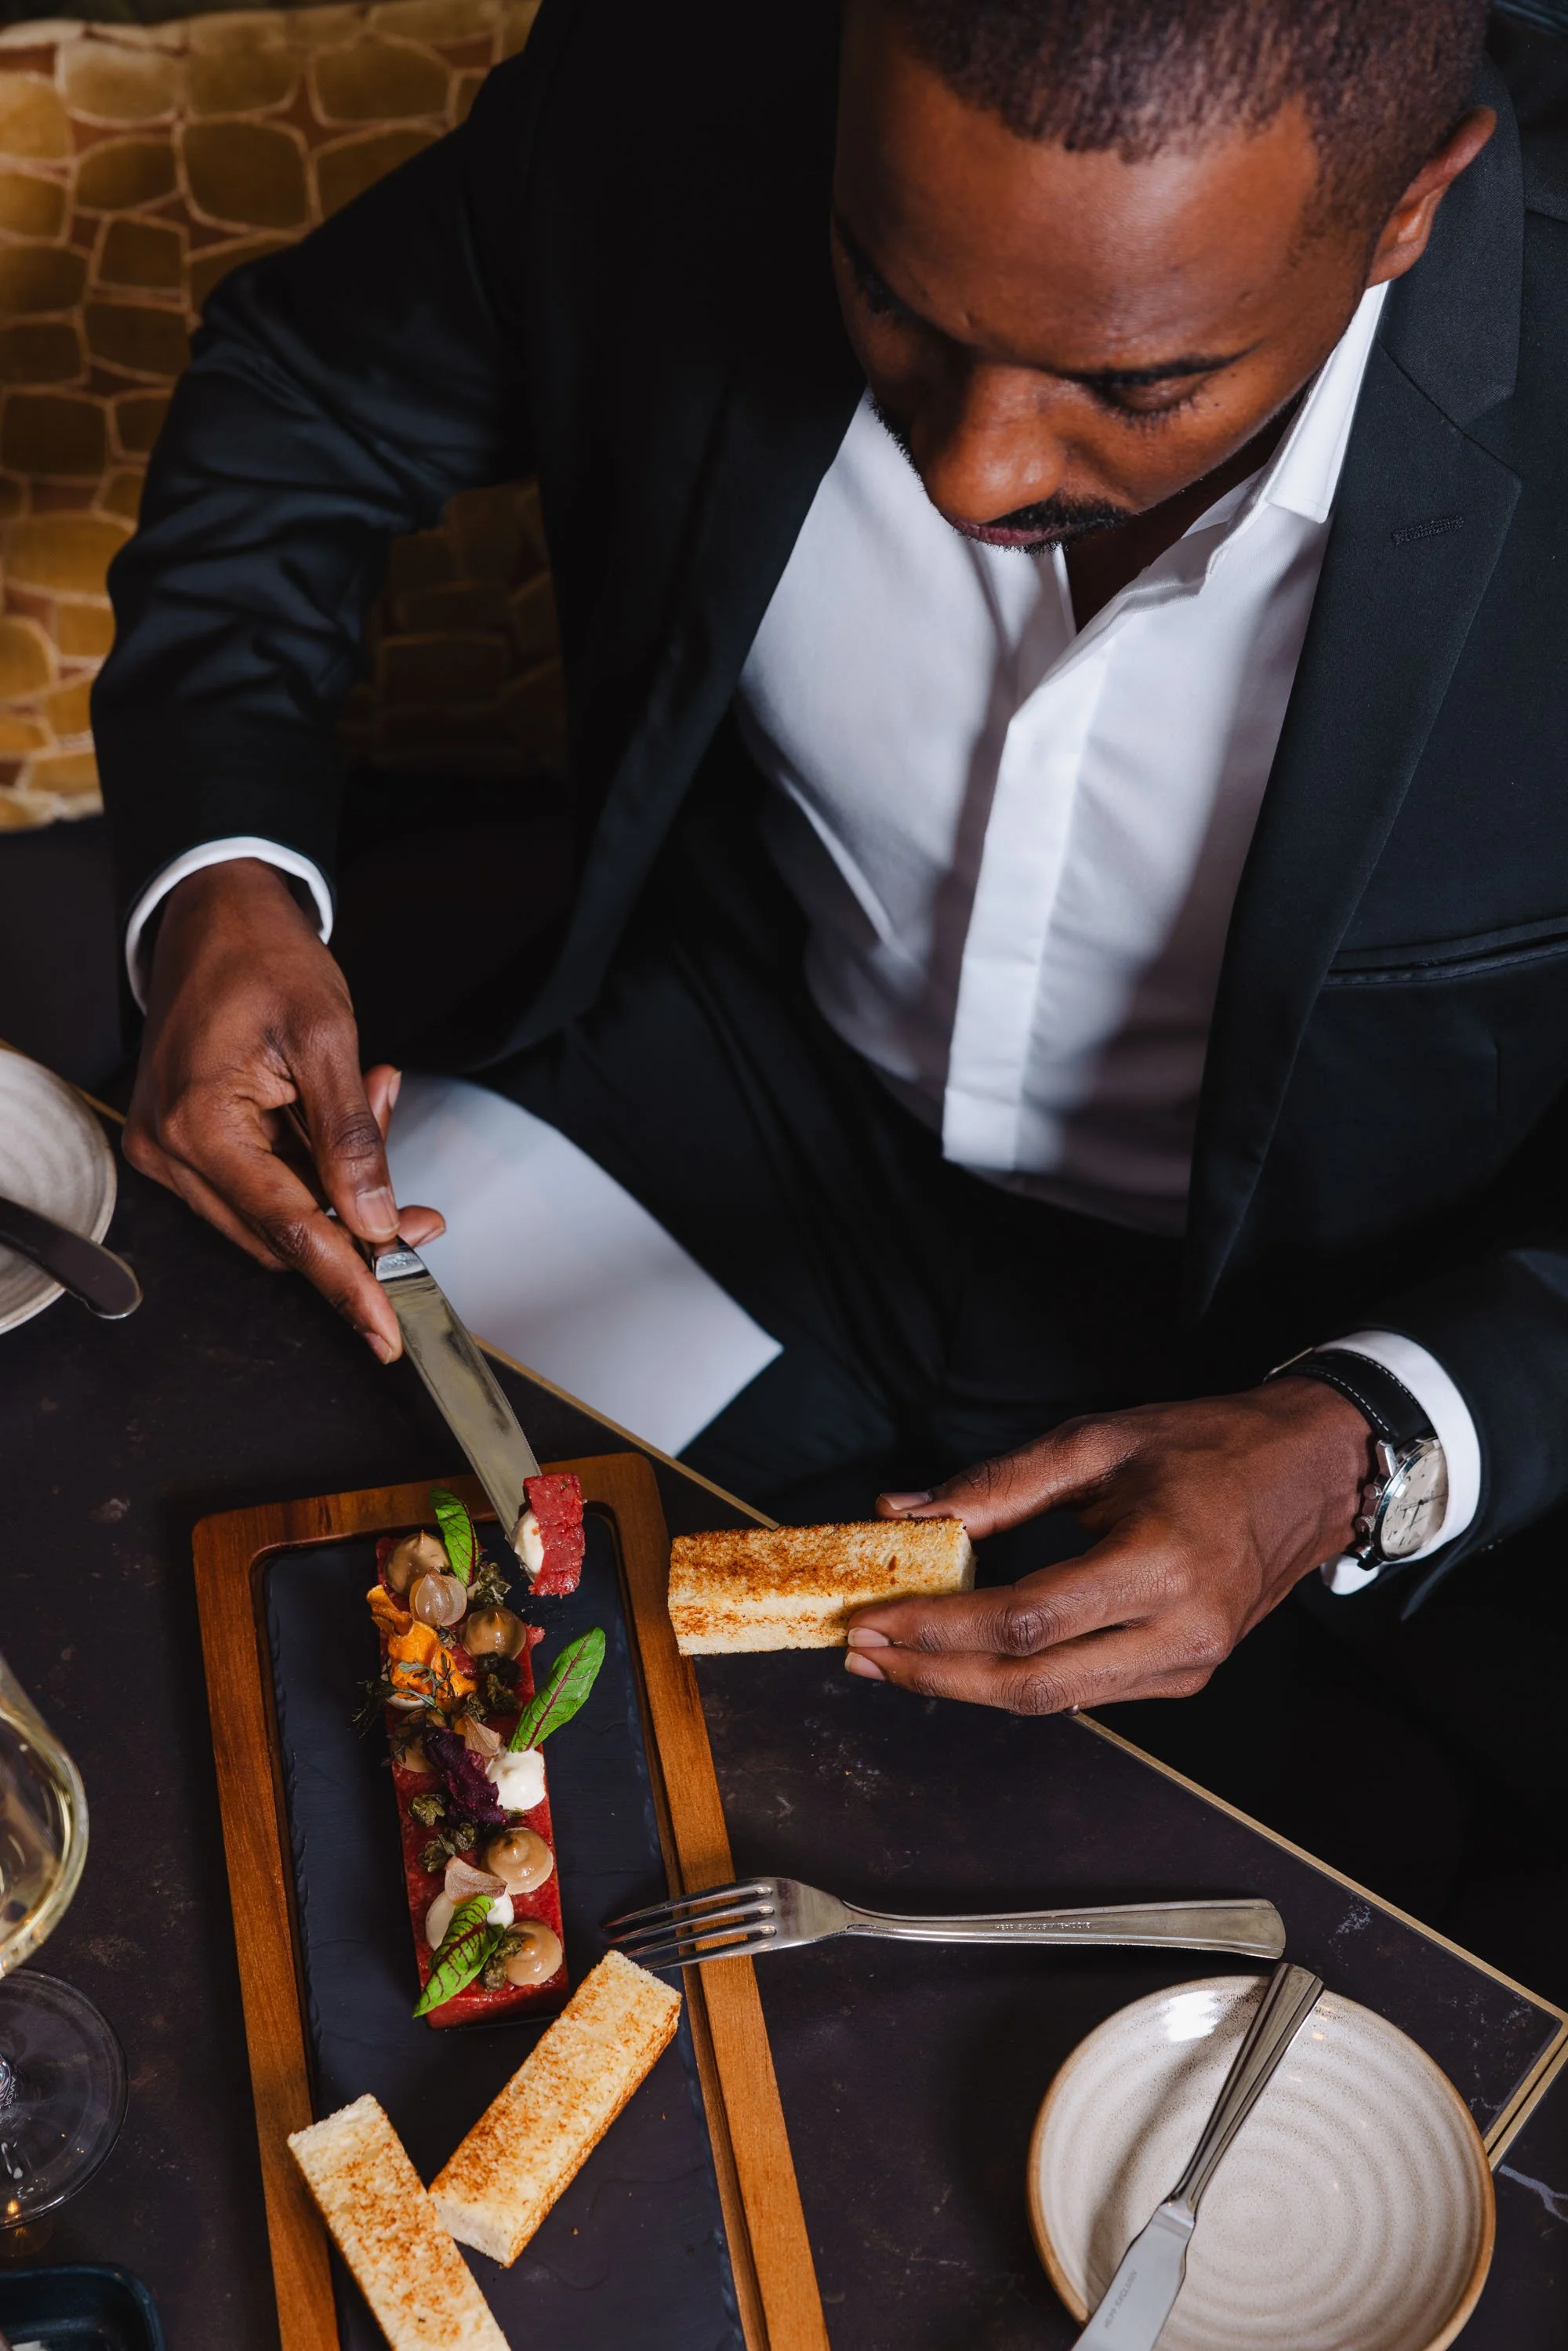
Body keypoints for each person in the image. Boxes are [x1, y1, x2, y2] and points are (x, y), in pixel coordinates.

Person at [96, 0, 1566, 1772]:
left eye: (1135, 382)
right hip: (714, 1111)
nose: (973, 471)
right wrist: (224, 886)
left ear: (1413, 202)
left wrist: (1375, 1444)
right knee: (202, 1609)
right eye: (887, 296)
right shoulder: (690, 77)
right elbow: (302, 403)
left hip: (1303, 1353)